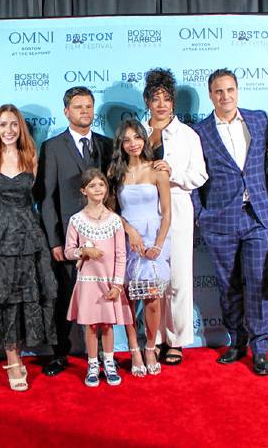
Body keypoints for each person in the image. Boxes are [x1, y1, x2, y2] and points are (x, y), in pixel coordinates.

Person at [192, 68, 268, 375]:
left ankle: (260, 348)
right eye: (218, 91)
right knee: (229, 286)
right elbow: (191, 177)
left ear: (237, 91)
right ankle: (237, 341)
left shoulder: (258, 120)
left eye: (230, 90)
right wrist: (200, 214)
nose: (225, 96)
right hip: (219, 221)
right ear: (210, 95)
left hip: (257, 216)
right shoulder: (200, 131)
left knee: (258, 284)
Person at [0, 104, 57, 392]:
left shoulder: (31, 156)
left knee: (26, 299)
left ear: (20, 127)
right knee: (5, 300)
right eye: (2, 125)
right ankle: (13, 360)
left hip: (27, 238)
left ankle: (21, 353)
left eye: (13, 124)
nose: (8, 130)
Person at [36, 86, 114, 377]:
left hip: (104, 236)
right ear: (66, 111)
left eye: (89, 106)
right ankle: (59, 354)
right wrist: (55, 240)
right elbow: (47, 198)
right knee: (65, 296)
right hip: (69, 240)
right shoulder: (53, 147)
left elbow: (114, 192)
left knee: (104, 294)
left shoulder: (107, 146)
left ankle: (106, 355)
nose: (85, 111)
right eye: (78, 107)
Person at [139, 68, 207, 366]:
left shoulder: (188, 135)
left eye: (167, 98)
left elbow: (200, 175)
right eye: (156, 99)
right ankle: (151, 340)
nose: (162, 104)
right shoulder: (136, 133)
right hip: (143, 210)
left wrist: (172, 172)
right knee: (150, 278)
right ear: (147, 102)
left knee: (178, 277)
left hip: (178, 207)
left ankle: (176, 340)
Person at [109, 119, 172, 376]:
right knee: (127, 297)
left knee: (153, 298)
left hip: (154, 238)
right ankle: (134, 349)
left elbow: (167, 213)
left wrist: (157, 245)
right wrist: (129, 230)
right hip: (126, 238)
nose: (132, 143)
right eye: (126, 139)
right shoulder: (115, 173)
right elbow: (111, 210)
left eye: (137, 137)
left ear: (145, 139)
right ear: (121, 145)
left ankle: (149, 346)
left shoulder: (158, 170)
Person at [64, 169, 132, 387]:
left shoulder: (114, 221)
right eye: (92, 186)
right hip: (87, 283)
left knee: (108, 325)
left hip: (109, 283)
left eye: (101, 185)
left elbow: (121, 254)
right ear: (83, 191)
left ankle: (109, 363)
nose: (98, 189)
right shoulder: (76, 220)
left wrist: (118, 284)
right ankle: (93, 365)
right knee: (91, 326)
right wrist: (84, 251)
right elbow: (68, 251)